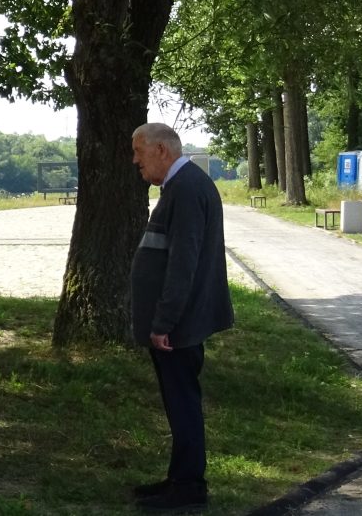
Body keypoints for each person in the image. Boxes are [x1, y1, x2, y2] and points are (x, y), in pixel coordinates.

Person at [127, 123, 234, 512]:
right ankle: (178, 479)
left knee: (183, 403)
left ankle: (188, 488)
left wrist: (163, 323)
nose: (135, 159)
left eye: (139, 151)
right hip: (179, 323)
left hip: (179, 327)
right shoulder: (181, 185)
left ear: (161, 150)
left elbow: (182, 264)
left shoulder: (187, 189)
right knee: (178, 403)